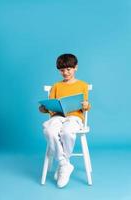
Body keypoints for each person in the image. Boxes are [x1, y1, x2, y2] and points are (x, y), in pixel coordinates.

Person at [39, 54, 91, 188]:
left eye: (68, 69)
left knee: (67, 132)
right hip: (58, 116)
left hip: (74, 116)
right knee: (50, 131)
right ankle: (64, 164)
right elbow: (51, 106)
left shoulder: (82, 85)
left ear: (76, 68)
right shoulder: (56, 86)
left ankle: (63, 164)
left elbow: (86, 104)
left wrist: (86, 105)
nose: (65, 73)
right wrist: (45, 108)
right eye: (62, 70)